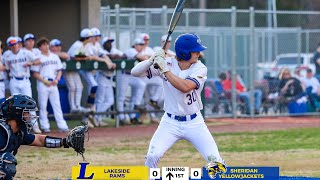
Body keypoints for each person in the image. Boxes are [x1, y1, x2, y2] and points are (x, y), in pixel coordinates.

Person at [131, 33, 226, 169]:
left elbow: (185, 87)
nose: (199, 53)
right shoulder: (168, 62)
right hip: (170, 122)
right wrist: (151, 60)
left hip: (194, 122)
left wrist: (164, 70)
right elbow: (135, 72)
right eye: (195, 51)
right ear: (185, 53)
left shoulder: (200, 67)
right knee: (152, 156)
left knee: (215, 161)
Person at [0, 94, 77, 179]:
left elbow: (39, 140)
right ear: (17, 113)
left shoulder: (18, 133)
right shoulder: (2, 131)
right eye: (26, 112)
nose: (29, 116)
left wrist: (65, 142)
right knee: (6, 160)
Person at [2, 36, 42, 134]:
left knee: (29, 103)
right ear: (9, 46)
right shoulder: (7, 55)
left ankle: (35, 126)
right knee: (16, 105)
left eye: (16, 44)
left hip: (25, 80)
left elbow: (39, 61)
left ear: (19, 44)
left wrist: (31, 63)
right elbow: (5, 66)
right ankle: (19, 128)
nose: (14, 46)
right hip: (13, 80)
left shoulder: (26, 52)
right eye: (12, 45)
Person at [31, 37, 69, 133]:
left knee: (57, 105)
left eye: (47, 44)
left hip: (53, 82)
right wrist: (44, 81)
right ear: (40, 47)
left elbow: (59, 70)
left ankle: (62, 126)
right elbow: (35, 73)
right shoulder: (38, 58)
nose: (46, 46)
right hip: (43, 83)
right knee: (43, 106)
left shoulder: (54, 56)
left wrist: (57, 79)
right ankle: (45, 126)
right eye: (43, 45)